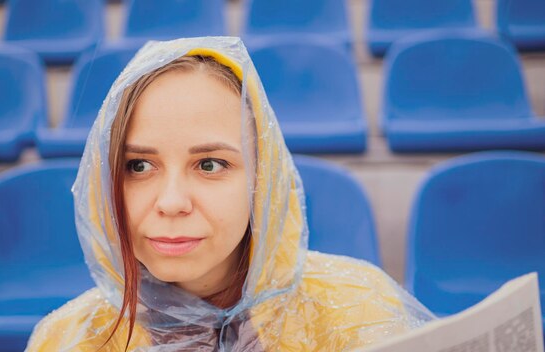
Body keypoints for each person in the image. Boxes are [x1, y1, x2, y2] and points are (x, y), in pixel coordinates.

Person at [25, 37, 433, 351]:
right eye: (139, 167)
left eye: (209, 165)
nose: (170, 202)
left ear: (262, 179)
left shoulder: (358, 310)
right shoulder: (69, 340)